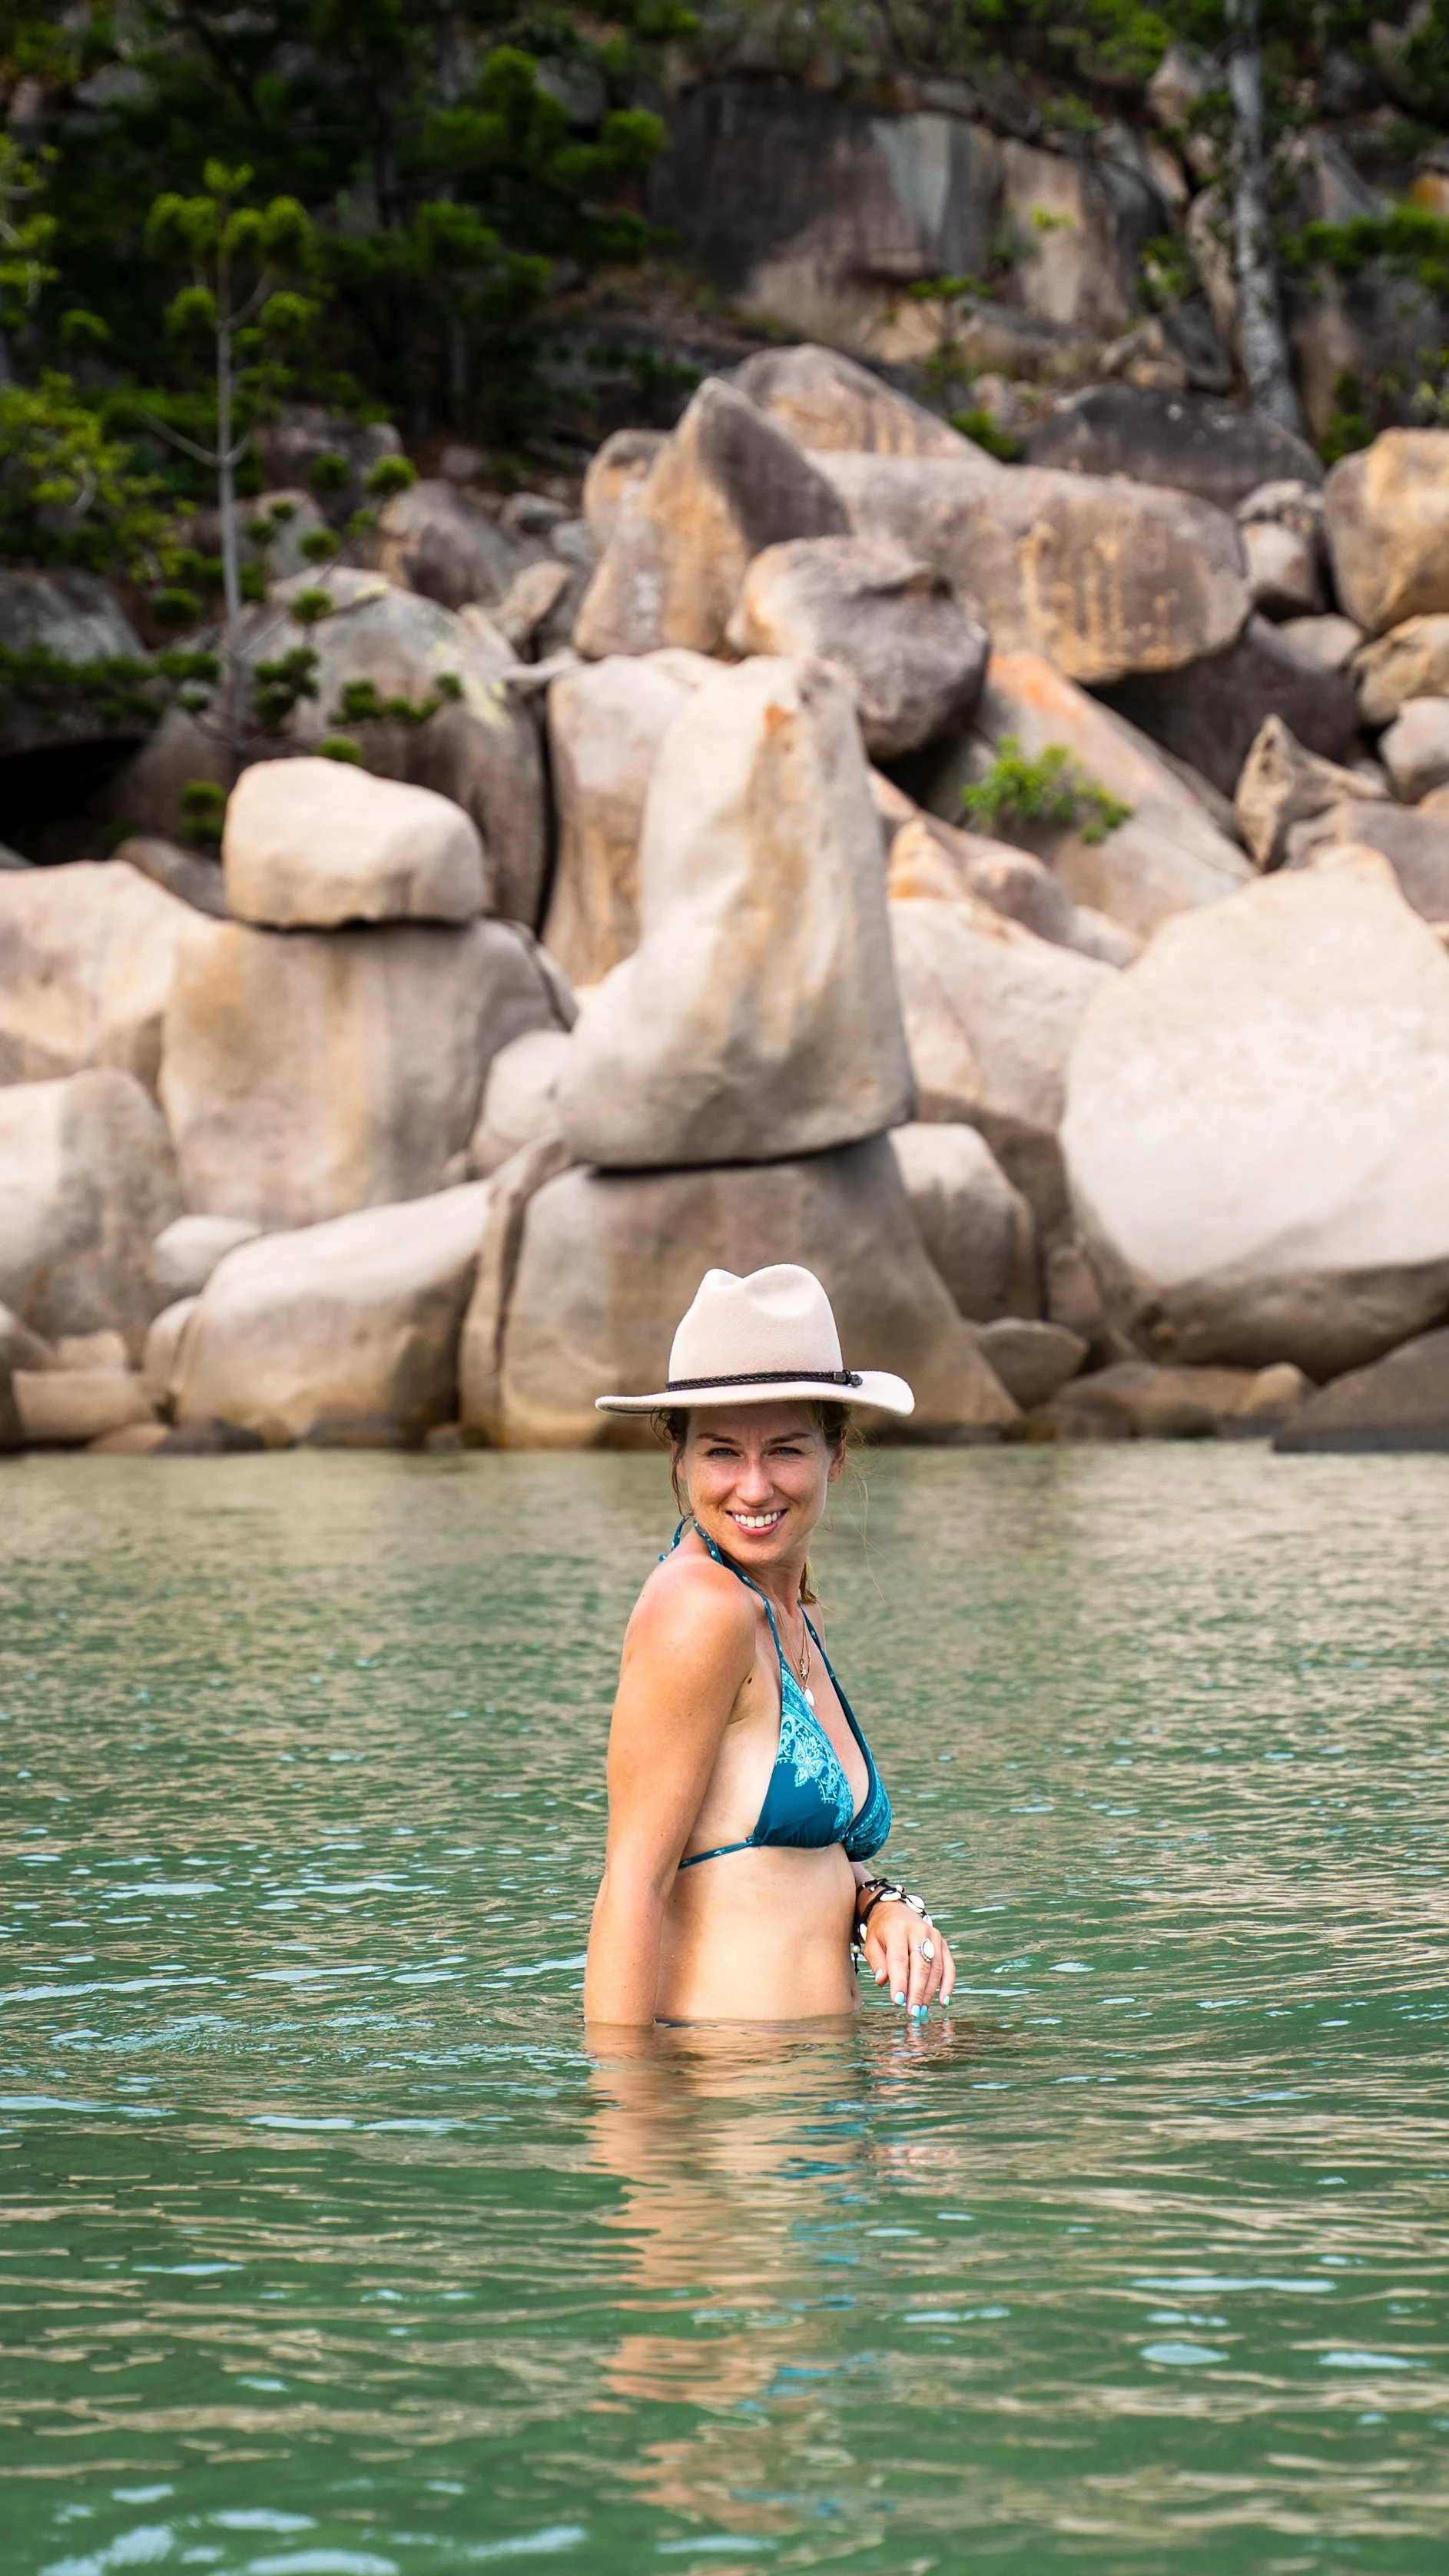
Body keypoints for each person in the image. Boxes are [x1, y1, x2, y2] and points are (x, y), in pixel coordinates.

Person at [583, 1263, 957, 2028]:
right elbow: (631, 1886)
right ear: (680, 1458)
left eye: (784, 1449)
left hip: (823, 2073)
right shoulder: (700, 1609)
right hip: (733, 2082)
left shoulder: (792, 1612)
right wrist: (628, 2096)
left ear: (835, 1453)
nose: (753, 1488)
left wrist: (876, 1902)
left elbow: (775, 1862)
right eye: (722, 1452)